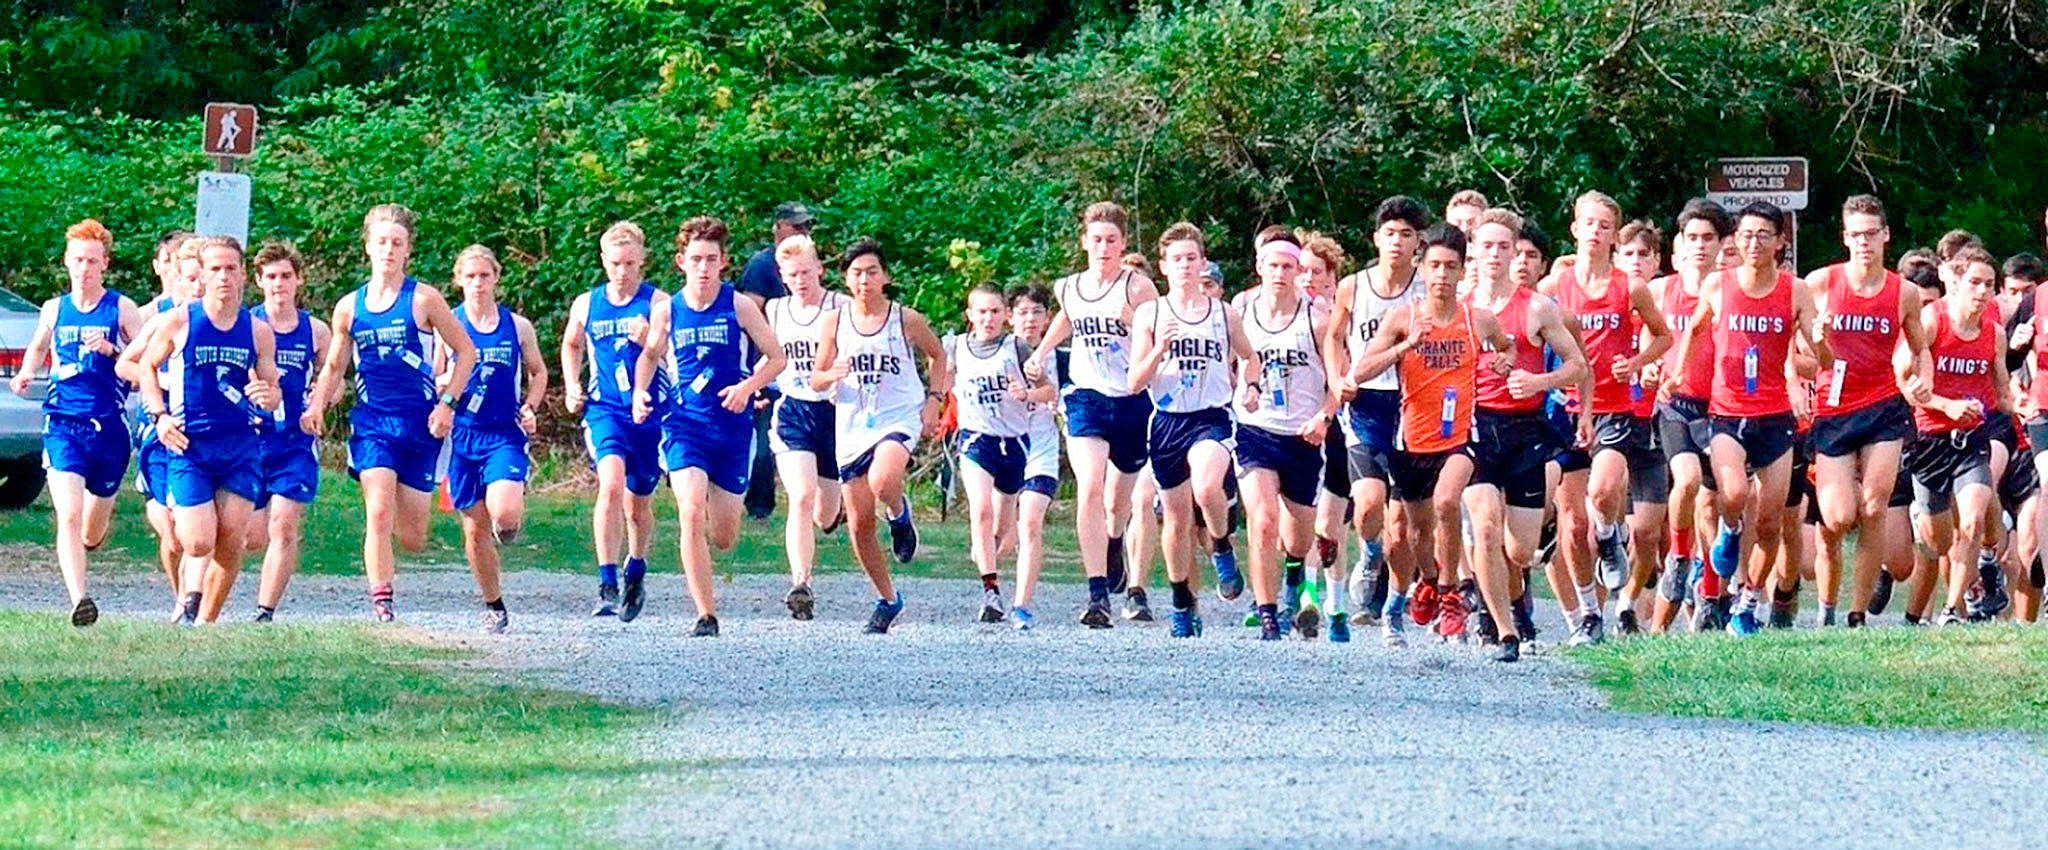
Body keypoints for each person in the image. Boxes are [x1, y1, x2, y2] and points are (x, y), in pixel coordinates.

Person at [304, 204, 479, 622]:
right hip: (373, 424)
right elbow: (334, 365)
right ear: (367, 247)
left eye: (396, 243)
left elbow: (466, 352)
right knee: (378, 510)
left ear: (407, 251)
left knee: (414, 536)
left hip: (421, 426)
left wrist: (447, 404)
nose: (388, 250)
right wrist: (316, 403)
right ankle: (382, 601)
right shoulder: (350, 307)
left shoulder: (423, 299)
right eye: (381, 242)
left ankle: (396, 558)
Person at [1351, 223, 1515, 652]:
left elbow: (1507, 346)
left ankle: (1449, 592)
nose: (1442, 275)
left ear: (1464, 272)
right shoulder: (1403, 318)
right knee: (1416, 534)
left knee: (1447, 502)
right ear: (1422, 269)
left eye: (1451, 267)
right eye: (1435, 266)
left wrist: (1504, 361)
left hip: (1461, 435)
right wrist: (1405, 348)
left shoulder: (1476, 319)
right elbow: (1362, 370)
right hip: (1412, 442)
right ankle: (1427, 580)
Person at [1669, 201, 1828, 636]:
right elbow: (1695, 329)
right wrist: (1679, 371)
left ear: (1780, 242)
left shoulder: (1795, 291)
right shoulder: (1719, 286)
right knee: (1734, 493)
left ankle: (1748, 599)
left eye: (1763, 235)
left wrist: (1821, 342)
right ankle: (1729, 528)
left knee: (1773, 520)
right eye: (1746, 234)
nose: (1753, 242)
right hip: (1727, 411)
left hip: (1775, 417)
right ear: (1735, 240)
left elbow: (1818, 358)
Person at [633, 217, 786, 637]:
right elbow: (649, 355)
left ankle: (716, 558)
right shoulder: (667, 311)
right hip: (685, 425)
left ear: (723, 263)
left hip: (733, 431)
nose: (703, 268)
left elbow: (776, 357)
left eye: (711, 260)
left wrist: (748, 386)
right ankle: (705, 614)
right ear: (681, 262)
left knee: (723, 536)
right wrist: (640, 393)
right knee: (689, 509)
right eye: (696, 259)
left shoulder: (739, 306)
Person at [1539, 192, 1673, 644]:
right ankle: (1589, 615)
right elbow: (1525, 332)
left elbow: (1663, 337)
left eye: (1604, 226)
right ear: (1575, 229)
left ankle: (1611, 532)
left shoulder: (1629, 287)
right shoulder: (1553, 287)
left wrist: (1635, 365)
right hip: (1566, 406)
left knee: (1604, 490)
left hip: (1614, 406)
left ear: (1613, 235)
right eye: (1588, 224)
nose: (1595, 232)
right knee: (1573, 526)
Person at [133, 236, 283, 624]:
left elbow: (272, 390)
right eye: (214, 269)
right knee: (198, 539)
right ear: (202, 273)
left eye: (231, 268)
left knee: (234, 536)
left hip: (239, 446)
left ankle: (205, 622)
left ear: (244, 275)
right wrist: (159, 416)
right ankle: (187, 600)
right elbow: (147, 367)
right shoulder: (182, 319)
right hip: (190, 445)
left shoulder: (257, 330)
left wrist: (267, 395)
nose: (223, 277)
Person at [1026, 203, 1162, 626]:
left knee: (1118, 501)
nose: (1103, 248)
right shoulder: (1068, 286)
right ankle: (1096, 592)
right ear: (1084, 241)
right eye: (1096, 240)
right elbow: (1068, 317)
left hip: (1132, 399)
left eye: (1112, 240)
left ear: (1123, 244)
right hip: (1085, 396)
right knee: (1090, 487)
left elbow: (1163, 327)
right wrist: (1043, 352)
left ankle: (1115, 539)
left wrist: (1136, 323)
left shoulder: (1137, 288)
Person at [1462, 208, 1586, 654]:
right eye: (1486, 245)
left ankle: (1529, 561)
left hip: (1525, 431)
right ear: (1472, 251)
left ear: (1516, 251)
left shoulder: (1536, 308)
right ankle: (1504, 629)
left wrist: (1539, 381)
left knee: (1519, 550)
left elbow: (1577, 365)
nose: (1495, 254)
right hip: (1474, 428)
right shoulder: (1459, 307)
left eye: (1503, 246)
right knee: (1486, 527)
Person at [9, 219, 143, 626]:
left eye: (92, 261)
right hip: (64, 421)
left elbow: (143, 364)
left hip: (109, 428)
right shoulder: (54, 308)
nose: (84, 268)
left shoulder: (121, 308)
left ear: (105, 265)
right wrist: (25, 374)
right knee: (66, 513)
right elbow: (37, 347)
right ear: (66, 263)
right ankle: (79, 599)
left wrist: (112, 349)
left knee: (89, 528)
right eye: (77, 260)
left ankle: (94, 535)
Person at [810, 238, 946, 633]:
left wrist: (934, 402)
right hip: (853, 422)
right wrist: (830, 375)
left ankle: (900, 514)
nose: (864, 279)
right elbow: (817, 377)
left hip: (897, 415)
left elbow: (938, 356)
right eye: (856, 273)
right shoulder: (834, 322)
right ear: (846, 280)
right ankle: (888, 598)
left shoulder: (906, 319)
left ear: (885, 277)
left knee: (884, 479)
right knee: (858, 523)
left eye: (872, 271)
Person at [1128, 222, 1256, 638]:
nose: (1184, 266)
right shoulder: (1151, 314)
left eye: (1191, 258)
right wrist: (1160, 350)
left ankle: (1221, 545)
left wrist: (1251, 385)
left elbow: (1250, 357)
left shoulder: (1224, 313)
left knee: (1206, 487)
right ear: (1163, 267)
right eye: (1176, 259)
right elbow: (1134, 381)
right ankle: (1183, 601)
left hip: (1211, 415)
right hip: (1167, 421)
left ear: (1203, 263)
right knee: (1177, 521)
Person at [1806, 195, 1924, 629]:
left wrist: (1920, 378)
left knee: (1874, 506)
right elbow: (1800, 354)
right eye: (1855, 235)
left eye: (1871, 234)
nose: (1863, 243)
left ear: (1885, 236)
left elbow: (1919, 347)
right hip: (1834, 410)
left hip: (1883, 408)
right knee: (1839, 516)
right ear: (1844, 237)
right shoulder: (1821, 283)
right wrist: (1816, 343)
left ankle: (1856, 614)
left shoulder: (1904, 292)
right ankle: (1827, 600)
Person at [1326, 196, 1427, 628]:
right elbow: (1333, 337)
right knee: (1368, 504)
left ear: (1418, 243)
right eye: (1390, 234)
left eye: (1406, 235)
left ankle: (1396, 602)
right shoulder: (1354, 285)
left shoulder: (1429, 287)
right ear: (1376, 239)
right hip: (1368, 401)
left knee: (1402, 522)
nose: (1397, 243)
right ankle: (1368, 552)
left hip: (1415, 405)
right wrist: (1337, 378)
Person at [1234, 234, 1342, 639]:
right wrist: (1245, 388)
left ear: (1299, 273)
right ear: (1259, 268)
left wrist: (1323, 418)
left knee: (1297, 537)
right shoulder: (1241, 314)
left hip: (1302, 436)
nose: (1280, 274)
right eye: (1272, 266)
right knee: (1261, 521)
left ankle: (1294, 574)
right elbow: (1231, 364)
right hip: (1254, 430)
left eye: (1288, 267)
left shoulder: (1315, 320)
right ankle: (1267, 613)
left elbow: (1339, 382)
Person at [561, 221, 668, 619]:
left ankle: (635, 568)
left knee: (638, 503)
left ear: (642, 261)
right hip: (605, 410)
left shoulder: (658, 303)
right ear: (603, 262)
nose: (622, 272)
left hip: (648, 412)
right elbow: (571, 343)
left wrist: (650, 341)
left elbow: (674, 355)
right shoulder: (587, 304)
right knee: (611, 484)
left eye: (629, 264)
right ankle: (606, 582)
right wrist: (574, 383)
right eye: (615, 264)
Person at [442, 245, 547, 633]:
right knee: (474, 530)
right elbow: (434, 375)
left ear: (496, 278)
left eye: (484, 276)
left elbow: (538, 372)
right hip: (463, 435)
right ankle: (494, 604)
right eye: (470, 276)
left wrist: (531, 406)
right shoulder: (448, 325)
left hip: (503, 432)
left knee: (502, 514)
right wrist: (445, 391)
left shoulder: (516, 326)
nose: (478, 284)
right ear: (458, 280)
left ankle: (510, 518)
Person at [1904, 247, 2010, 626]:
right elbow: (1905, 381)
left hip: (1972, 439)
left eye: (1989, 285)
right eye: (1974, 283)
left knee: (1973, 519)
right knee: (1939, 541)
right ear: (1956, 282)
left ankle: (1952, 610)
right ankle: (1975, 563)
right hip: (1930, 440)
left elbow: (2003, 393)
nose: (1982, 292)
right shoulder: (1931, 322)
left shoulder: (1994, 334)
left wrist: (2021, 406)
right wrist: (1943, 404)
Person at [1646, 199, 1732, 632]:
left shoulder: (1731, 292)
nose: (1700, 246)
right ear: (1680, 243)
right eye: (1692, 238)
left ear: (1722, 244)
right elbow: (1648, 337)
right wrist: (1645, 363)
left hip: (1721, 409)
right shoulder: (1662, 291)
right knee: (1688, 481)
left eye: (1708, 239)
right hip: (1675, 405)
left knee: (1713, 509)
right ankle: (1680, 556)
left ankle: (1711, 597)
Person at [947, 285, 1050, 623]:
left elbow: (1049, 390)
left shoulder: (1015, 347)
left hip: (1014, 442)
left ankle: (988, 555)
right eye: (981, 312)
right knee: (981, 510)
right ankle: (990, 591)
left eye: (994, 312)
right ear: (970, 315)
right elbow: (941, 379)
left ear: (1005, 316)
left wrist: (1027, 393)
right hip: (977, 439)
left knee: (1005, 527)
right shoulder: (957, 347)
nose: (988, 318)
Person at [243, 242, 332, 621]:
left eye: (286, 276)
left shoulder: (316, 330)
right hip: (250, 441)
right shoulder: (245, 324)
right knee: (251, 538)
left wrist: (318, 403)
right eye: (271, 277)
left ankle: (265, 612)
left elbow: (334, 376)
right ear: (259, 281)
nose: (279, 284)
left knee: (283, 525)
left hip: (295, 442)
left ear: (298, 280)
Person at [763, 233, 846, 620]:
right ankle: (801, 583)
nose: (800, 280)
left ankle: (839, 511)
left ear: (820, 270)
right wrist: (759, 385)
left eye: (806, 272)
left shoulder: (841, 307)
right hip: (794, 411)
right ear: (782, 276)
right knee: (801, 496)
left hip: (835, 414)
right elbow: (767, 358)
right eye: (792, 274)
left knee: (824, 514)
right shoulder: (776, 311)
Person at [1295, 231, 1356, 639]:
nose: (1307, 278)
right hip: (1295, 425)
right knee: (1303, 519)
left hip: (1339, 426)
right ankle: (1307, 599)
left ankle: (1336, 606)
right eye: (1301, 270)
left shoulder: (1339, 316)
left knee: (1332, 526)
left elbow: (1350, 369)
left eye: (1316, 271)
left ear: (1331, 277)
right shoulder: (1274, 311)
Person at [739, 203, 815, 520]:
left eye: (806, 227)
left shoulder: (810, 263)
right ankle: (759, 509)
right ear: (779, 227)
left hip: (804, 368)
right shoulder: (762, 265)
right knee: (763, 446)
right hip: (768, 367)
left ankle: (828, 506)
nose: (803, 232)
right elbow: (748, 314)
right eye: (797, 226)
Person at [999, 284, 1061, 629]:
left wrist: (1042, 387)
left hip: (1040, 447)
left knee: (1032, 521)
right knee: (1000, 532)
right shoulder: (997, 351)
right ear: (1010, 317)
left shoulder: (1059, 355)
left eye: (1037, 312)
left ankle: (1021, 605)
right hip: (1004, 446)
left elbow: (1057, 397)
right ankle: (990, 586)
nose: (1030, 320)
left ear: (1048, 318)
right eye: (1022, 312)